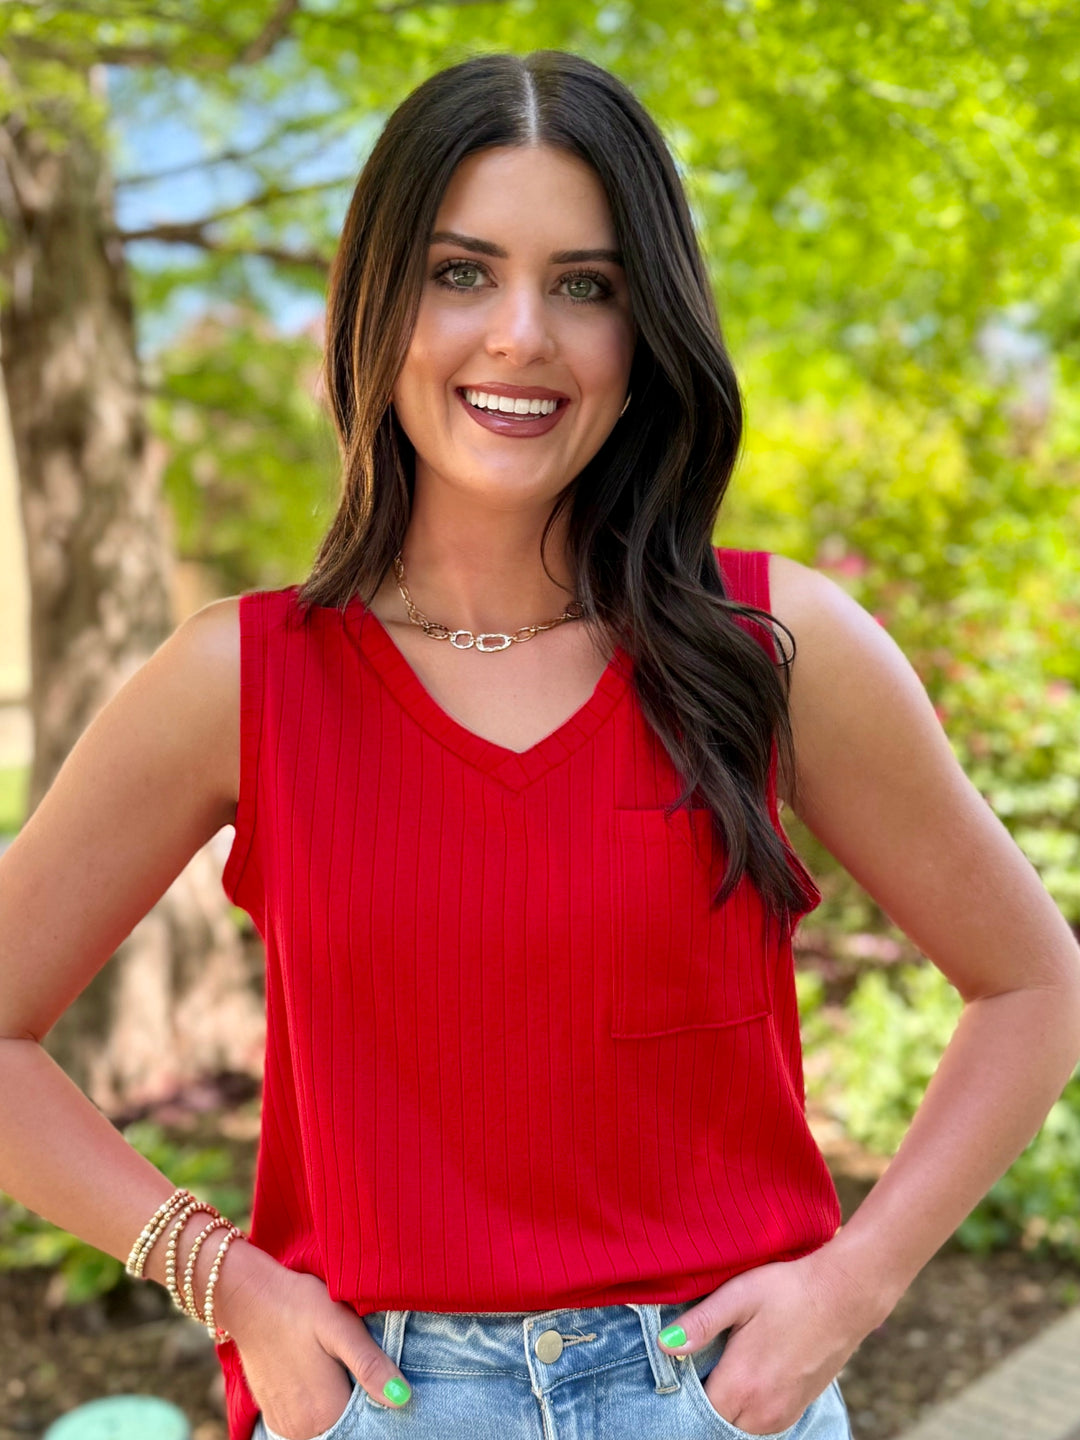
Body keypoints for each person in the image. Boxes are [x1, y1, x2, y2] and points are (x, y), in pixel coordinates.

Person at [1, 47, 1078, 1440]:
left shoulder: (772, 648)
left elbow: (1036, 985)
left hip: (710, 1398)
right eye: (461, 273)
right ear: (372, 304)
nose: (521, 335)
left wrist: (854, 1286)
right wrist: (226, 1279)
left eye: (587, 285)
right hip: (381, 1402)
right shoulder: (243, 680)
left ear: (648, 330)